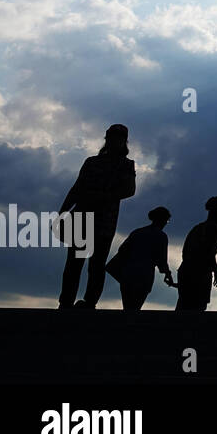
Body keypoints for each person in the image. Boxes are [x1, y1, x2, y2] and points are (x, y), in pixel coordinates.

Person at [58, 124, 136, 309]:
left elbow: (129, 190)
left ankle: (90, 302)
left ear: (124, 141)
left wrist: (103, 196)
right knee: (74, 264)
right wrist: (62, 212)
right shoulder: (91, 162)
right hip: (82, 217)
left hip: (104, 222)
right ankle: (66, 302)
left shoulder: (126, 165)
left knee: (96, 265)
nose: (113, 140)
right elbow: (76, 188)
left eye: (117, 137)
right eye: (111, 137)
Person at [106, 207, 175, 312]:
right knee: (135, 307)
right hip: (144, 276)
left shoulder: (137, 232)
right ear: (163, 220)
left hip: (128, 274)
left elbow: (122, 250)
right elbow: (162, 260)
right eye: (167, 220)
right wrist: (168, 274)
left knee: (127, 307)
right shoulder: (161, 236)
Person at [175, 197, 217, 312]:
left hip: (187, 271)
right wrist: (216, 272)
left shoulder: (197, 228)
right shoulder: (212, 228)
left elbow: (185, 251)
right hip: (199, 273)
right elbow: (208, 252)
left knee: (183, 306)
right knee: (197, 308)